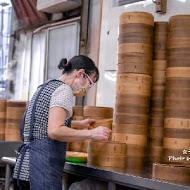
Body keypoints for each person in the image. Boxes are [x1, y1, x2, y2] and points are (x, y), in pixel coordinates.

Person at [13, 55, 111, 190]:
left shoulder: (46, 86)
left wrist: (79, 124)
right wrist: (92, 133)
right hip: (42, 168)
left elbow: (42, 123)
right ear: (80, 73)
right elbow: (54, 131)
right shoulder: (64, 91)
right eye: (90, 83)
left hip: (26, 167)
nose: (88, 89)